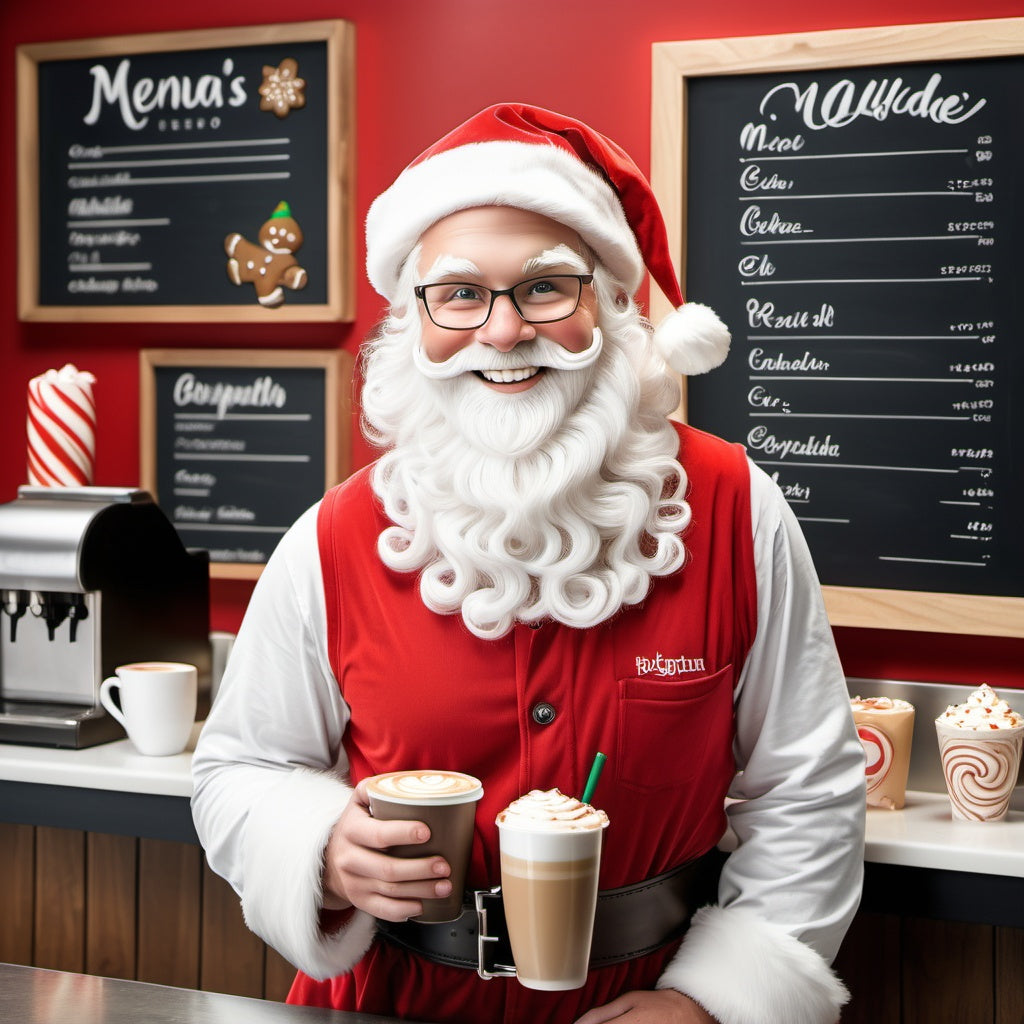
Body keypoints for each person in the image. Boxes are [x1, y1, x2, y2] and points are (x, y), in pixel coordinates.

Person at [192, 103, 865, 1024]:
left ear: (610, 307)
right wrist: (319, 845)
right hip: (387, 1002)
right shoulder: (333, 537)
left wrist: (715, 1003)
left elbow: (808, 785)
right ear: (414, 320)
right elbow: (240, 769)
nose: (504, 333)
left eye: (547, 287)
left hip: (644, 1000)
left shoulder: (735, 509)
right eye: (461, 294)